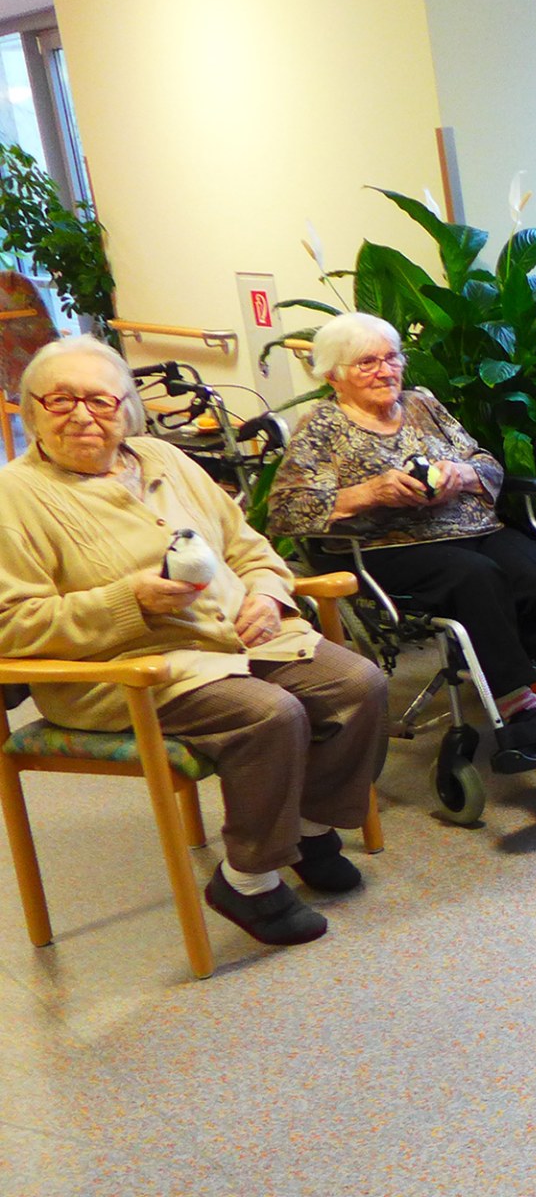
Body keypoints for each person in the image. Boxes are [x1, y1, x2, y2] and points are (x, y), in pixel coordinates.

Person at [0, 336, 387, 947]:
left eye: (100, 401)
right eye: (61, 400)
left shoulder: (162, 457)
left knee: (357, 684)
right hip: (129, 668)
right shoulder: (13, 497)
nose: (82, 415)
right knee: (268, 715)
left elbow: (246, 545)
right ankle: (249, 880)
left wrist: (266, 592)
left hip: (241, 638)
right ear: (28, 409)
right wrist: (131, 601)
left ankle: (309, 832)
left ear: (128, 408)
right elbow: (11, 625)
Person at [267, 312, 536, 756]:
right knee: (475, 576)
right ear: (333, 376)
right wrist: (370, 493)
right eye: (367, 363)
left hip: (471, 526)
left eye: (392, 357)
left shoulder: (423, 405)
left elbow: (488, 463)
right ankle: (519, 706)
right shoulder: (320, 427)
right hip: (388, 547)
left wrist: (463, 473)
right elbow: (286, 510)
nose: (385, 370)